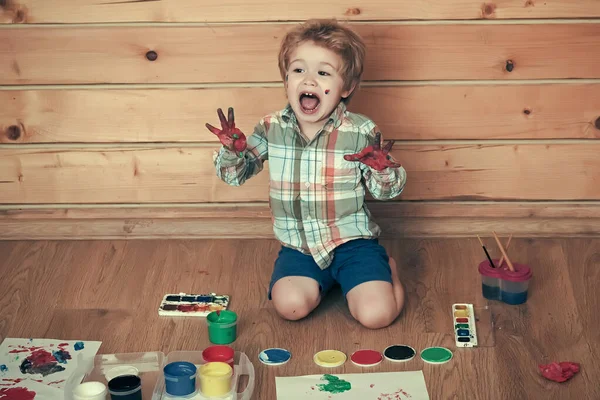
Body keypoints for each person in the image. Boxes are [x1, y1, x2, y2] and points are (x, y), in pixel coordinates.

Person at [207, 19, 407, 329]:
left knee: (375, 316)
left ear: (347, 87)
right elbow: (236, 174)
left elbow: (386, 191)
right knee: (290, 307)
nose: (309, 80)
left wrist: (382, 169)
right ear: (286, 81)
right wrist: (234, 152)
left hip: (353, 244)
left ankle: (385, 270)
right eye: (299, 70)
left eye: (323, 72)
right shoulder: (271, 127)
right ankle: (326, 282)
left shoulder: (361, 131)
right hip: (300, 247)